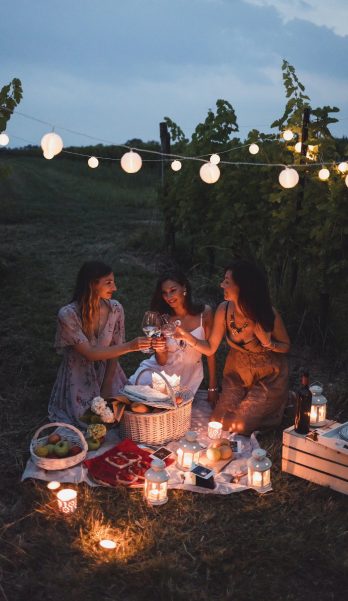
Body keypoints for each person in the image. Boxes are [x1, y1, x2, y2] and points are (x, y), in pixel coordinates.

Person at [174, 259, 290, 435]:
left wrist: (268, 343)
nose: (222, 285)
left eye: (227, 282)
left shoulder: (267, 313)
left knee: (240, 426)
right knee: (218, 422)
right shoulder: (224, 310)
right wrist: (186, 336)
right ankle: (250, 403)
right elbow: (211, 347)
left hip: (267, 377)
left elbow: (286, 346)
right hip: (237, 372)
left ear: (243, 287)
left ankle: (282, 403)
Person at [48, 260, 151, 426]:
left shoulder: (115, 309)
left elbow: (115, 349)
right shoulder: (68, 315)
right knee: (86, 421)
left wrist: (107, 384)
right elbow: (90, 353)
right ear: (91, 284)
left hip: (108, 371)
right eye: (108, 283)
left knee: (124, 417)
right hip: (79, 374)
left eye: (114, 282)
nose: (115, 288)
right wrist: (131, 346)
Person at [129, 270, 218, 404]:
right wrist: (159, 349)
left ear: (184, 287)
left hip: (188, 376)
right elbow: (162, 361)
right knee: (138, 400)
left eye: (172, 290)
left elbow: (210, 353)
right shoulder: (162, 317)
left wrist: (212, 387)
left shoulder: (204, 313)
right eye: (164, 293)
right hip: (160, 374)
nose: (168, 296)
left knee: (169, 406)